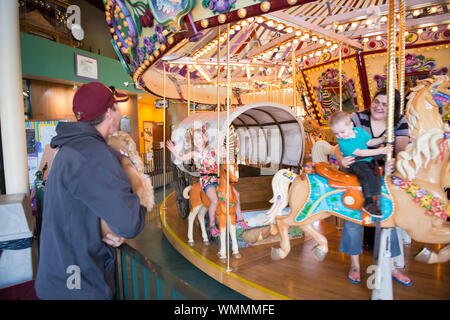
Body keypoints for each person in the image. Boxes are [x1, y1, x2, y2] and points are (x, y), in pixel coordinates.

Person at [35, 82, 147, 299]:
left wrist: (109, 229)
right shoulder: (93, 155)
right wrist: (140, 190)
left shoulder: (69, 149)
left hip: (59, 276)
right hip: (76, 285)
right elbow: (129, 222)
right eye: (117, 106)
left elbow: (83, 208)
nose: (119, 111)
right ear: (109, 112)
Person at [336, 88, 412, 286]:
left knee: (390, 215)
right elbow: (339, 145)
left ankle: (393, 264)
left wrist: (394, 161)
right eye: (377, 101)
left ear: (392, 108)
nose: (379, 106)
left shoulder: (399, 122)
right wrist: (341, 160)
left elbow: (402, 149)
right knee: (353, 214)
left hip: (383, 169)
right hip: (357, 167)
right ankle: (354, 264)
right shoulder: (357, 118)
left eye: (385, 104)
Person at [166, 128, 249, 237]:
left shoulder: (211, 149)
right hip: (206, 181)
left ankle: (239, 218)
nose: (197, 140)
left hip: (217, 179)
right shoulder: (194, 154)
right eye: (195, 138)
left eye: (199, 137)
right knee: (214, 200)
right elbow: (181, 157)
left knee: (236, 194)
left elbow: (223, 154)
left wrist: (220, 143)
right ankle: (212, 225)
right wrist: (174, 151)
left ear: (204, 139)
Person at [329, 111, 393, 217]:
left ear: (351, 125)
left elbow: (369, 142)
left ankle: (382, 197)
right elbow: (360, 152)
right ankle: (368, 203)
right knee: (366, 175)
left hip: (367, 160)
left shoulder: (359, 131)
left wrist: (382, 139)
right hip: (356, 163)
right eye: (336, 133)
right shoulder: (343, 142)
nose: (340, 135)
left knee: (380, 170)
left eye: (342, 132)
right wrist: (381, 151)